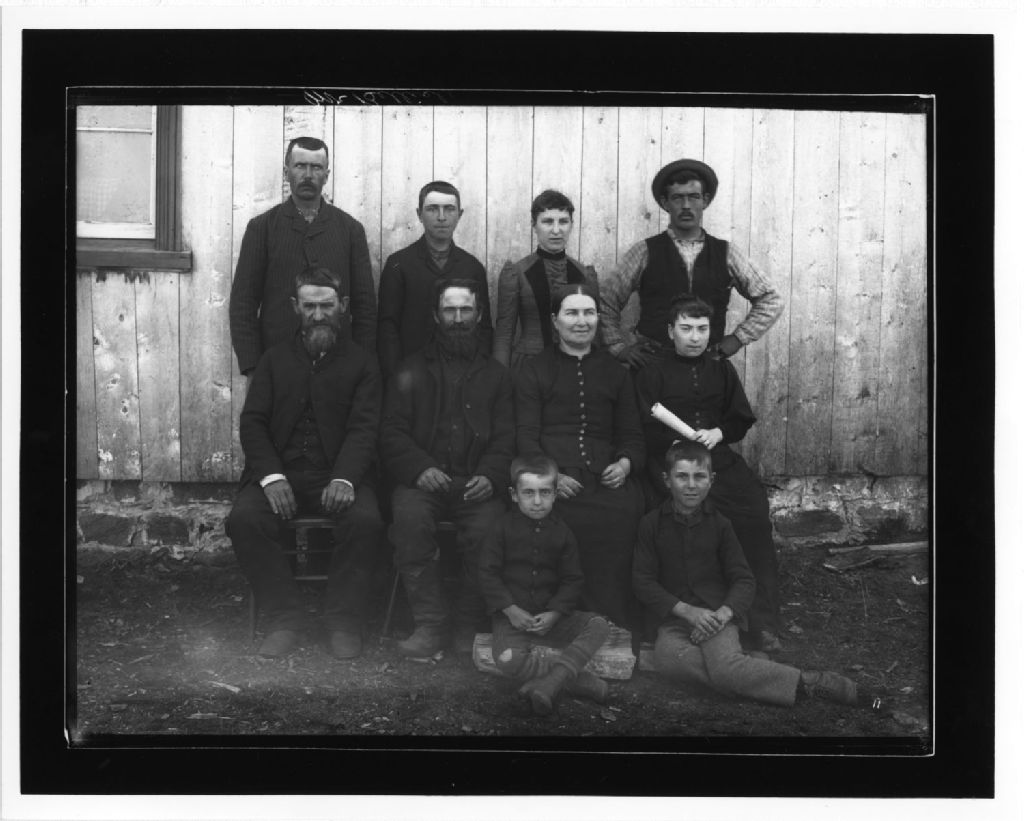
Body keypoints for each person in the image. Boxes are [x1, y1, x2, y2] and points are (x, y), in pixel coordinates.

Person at [633, 440, 881, 710]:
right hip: (676, 620)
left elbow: (743, 579)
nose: (691, 485)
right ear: (666, 480)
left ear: (711, 480)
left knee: (725, 670)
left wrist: (724, 614)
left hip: (717, 619)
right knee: (670, 660)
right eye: (682, 476)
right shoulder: (651, 524)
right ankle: (749, 668)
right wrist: (688, 612)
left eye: (699, 477)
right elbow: (643, 581)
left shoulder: (721, 525)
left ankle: (814, 682)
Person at [226, 267, 383, 660]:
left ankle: (343, 621)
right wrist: (271, 477)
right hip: (281, 474)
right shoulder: (273, 360)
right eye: (309, 306)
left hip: (337, 475)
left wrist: (345, 479)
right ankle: (284, 618)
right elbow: (253, 423)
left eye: (326, 306)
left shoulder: (363, 364)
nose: (318, 315)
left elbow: (365, 429)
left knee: (366, 522)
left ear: (342, 306)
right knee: (244, 520)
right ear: (296, 307)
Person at [635, 293, 783, 652]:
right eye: (686, 328)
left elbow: (739, 418)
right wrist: (671, 443)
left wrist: (718, 433)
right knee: (669, 513)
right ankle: (672, 616)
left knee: (752, 511)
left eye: (702, 329)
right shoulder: (652, 371)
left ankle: (758, 621)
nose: (695, 337)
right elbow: (640, 424)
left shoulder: (721, 369)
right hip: (669, 461)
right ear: (670, 331)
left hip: (716, 460)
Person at [380, 279, 513, 659]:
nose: (457, 318)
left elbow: (507, 436)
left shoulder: (497, 375)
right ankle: (430, 625)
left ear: (479, 315)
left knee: (489, 531)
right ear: (436, 316)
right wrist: (420, 468)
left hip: (476, 483)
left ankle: (468, 625)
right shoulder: (410, 368)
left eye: (465, 310)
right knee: (410, 523)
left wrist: (490, 475)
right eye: (449, 310)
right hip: (423, 483)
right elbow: (391, 431)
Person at [515, 284, 646, 631]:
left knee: (624, 514)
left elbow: (632, 435)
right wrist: (551, 476)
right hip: (555, 479)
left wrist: (625, 464)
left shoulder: (616, 372)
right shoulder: (534, 369)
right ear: (555, 320)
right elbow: (526, 436)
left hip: (605, 479)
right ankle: (561, 620)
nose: (581, 321)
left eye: (588, 313)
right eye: (571, 313)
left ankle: (611, 623)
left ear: (598, 319)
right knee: (559, 523)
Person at [599, 158, 784, 369]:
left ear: (705, 201)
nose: (686, 206)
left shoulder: (727, 253)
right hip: (653, 366)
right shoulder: (644, 251)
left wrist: (737, 339)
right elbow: (606, 299)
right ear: (665, 203)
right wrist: (618, 347)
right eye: (677, 198)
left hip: (707, 364)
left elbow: (771, 299)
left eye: (694, 197)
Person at [230, 136, 376, 380]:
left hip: (338, 366)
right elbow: (243, 305)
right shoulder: (262, 228)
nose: (308, 175)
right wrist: (253, 369)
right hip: (277, 366)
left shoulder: (350, 230)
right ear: (286, 172)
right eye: (300, 166)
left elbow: (365, 308)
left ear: (326, 175)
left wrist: (362, 366)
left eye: (316, 167)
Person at [478, 455, 612, 716]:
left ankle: (548, 683)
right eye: (528, 493)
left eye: (544, 492)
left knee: (599, 625)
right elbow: (487, 574)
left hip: (549, 617)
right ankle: (569, 679)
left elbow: (573, 579)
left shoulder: (563, 532)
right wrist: (510, 610)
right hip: (513, 619)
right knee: (507, 659)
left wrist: (555, 613)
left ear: (555, 494)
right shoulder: (500, 529)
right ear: (514, 495)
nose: (537, 501)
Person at [377, 181, 493, 378]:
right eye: (432, 209)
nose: (441, 217)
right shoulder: (399, 264)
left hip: (463, 374)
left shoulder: (472, 267)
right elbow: (388, 328)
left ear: (460, 214)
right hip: (412, 375)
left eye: (449, 209)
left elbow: (484, 328)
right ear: (419, 214)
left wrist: (478, 374)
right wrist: (395, 376)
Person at [493, 189, 600, 372]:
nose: (556, 230)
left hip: (575, 367)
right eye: (548, 222)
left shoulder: (584, 274)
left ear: (572, 225)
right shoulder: (516, 273)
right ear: (534, 225)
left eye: (563, 222)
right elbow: (504, 333)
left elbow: (594, 334)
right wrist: (499, 378)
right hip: (529, 367)